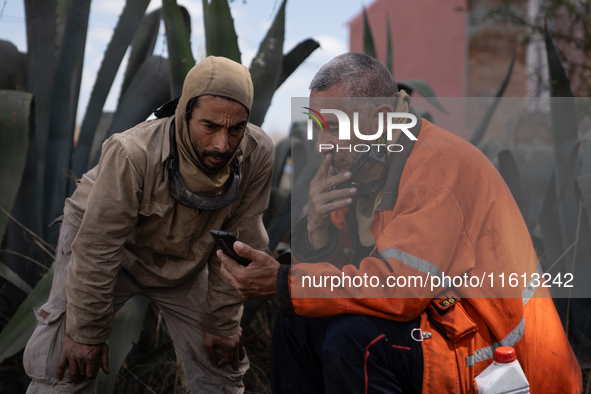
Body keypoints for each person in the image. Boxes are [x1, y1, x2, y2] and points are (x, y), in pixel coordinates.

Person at [219, 53, 583, 393]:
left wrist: (283, 280)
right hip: (443, 328)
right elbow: (336, 281)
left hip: (506, 360)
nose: (322, 146)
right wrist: (316, 227)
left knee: (354, 343)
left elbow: (402, 291)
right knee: (296, 322)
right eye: (318, 127)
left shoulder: (437, 168)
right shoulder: (364, 164)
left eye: (332, 128)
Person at [22, 56, 274, 393]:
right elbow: (98, 246)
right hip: (106, 249)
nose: (222, 145)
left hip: (185, 257)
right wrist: (86, 333)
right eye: (210, 126)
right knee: (67, 366)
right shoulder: (132, 152)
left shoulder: (257, 153)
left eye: (236, 129)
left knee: (220, 363)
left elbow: (242, 241)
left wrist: (222, 321)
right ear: (184, 113)